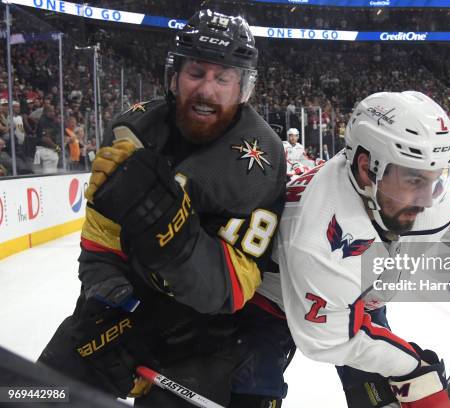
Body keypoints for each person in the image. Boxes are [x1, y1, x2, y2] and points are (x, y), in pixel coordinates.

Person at [38, 8, 288, 407]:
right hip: (126, 309)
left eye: (223, 78)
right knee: (36, 393)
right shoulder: (133, 131)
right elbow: (100, 239)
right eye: (196, 73)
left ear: (243, 88)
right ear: (174, 75)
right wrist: (105, 296)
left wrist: (168, 225)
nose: (207, 89)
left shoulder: (259, 162)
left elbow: (229, 290)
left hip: (210, 337)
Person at [257, 91, 450, 407]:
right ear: (366, 168)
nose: (429, 198)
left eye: (436, 177)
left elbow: (449, 216)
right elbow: (330, 339)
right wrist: (415, 373)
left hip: (357, 292)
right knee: (249, 393)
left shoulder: (404, 181)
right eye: (415, 179)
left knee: (386, 401)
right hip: (270, 304)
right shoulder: (317, 235)